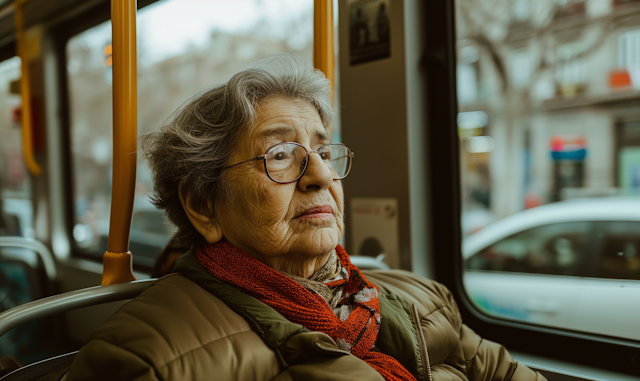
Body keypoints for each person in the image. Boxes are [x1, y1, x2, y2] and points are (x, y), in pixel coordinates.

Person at [65, 54, 545, 381]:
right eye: (279, 154)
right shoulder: (145, 361)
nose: (320, 176)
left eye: (321, 150)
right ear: (203, 205)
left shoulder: (421, 296)